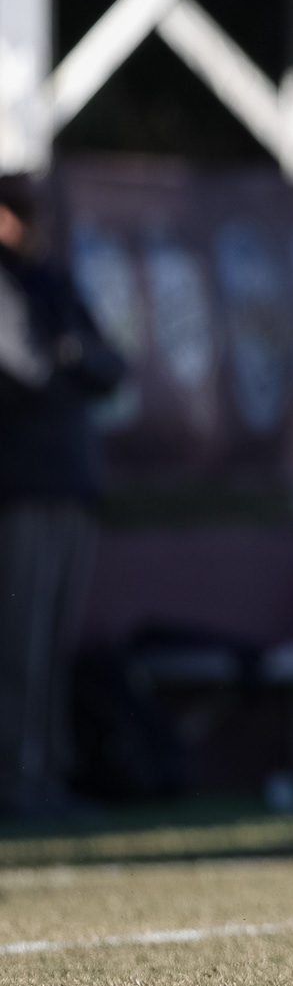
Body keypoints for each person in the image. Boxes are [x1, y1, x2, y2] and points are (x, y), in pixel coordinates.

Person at [0, 175, 126, 819]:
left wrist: (72, 353)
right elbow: (29, 365)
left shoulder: (51, 280)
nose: (26, 224)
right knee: (20, 644)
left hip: (71, 480)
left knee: (51, 645)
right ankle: (18, 782)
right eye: (14, 211)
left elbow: (111, 364)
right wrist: (74, 357)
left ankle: (46, 775)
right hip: (22, 484)